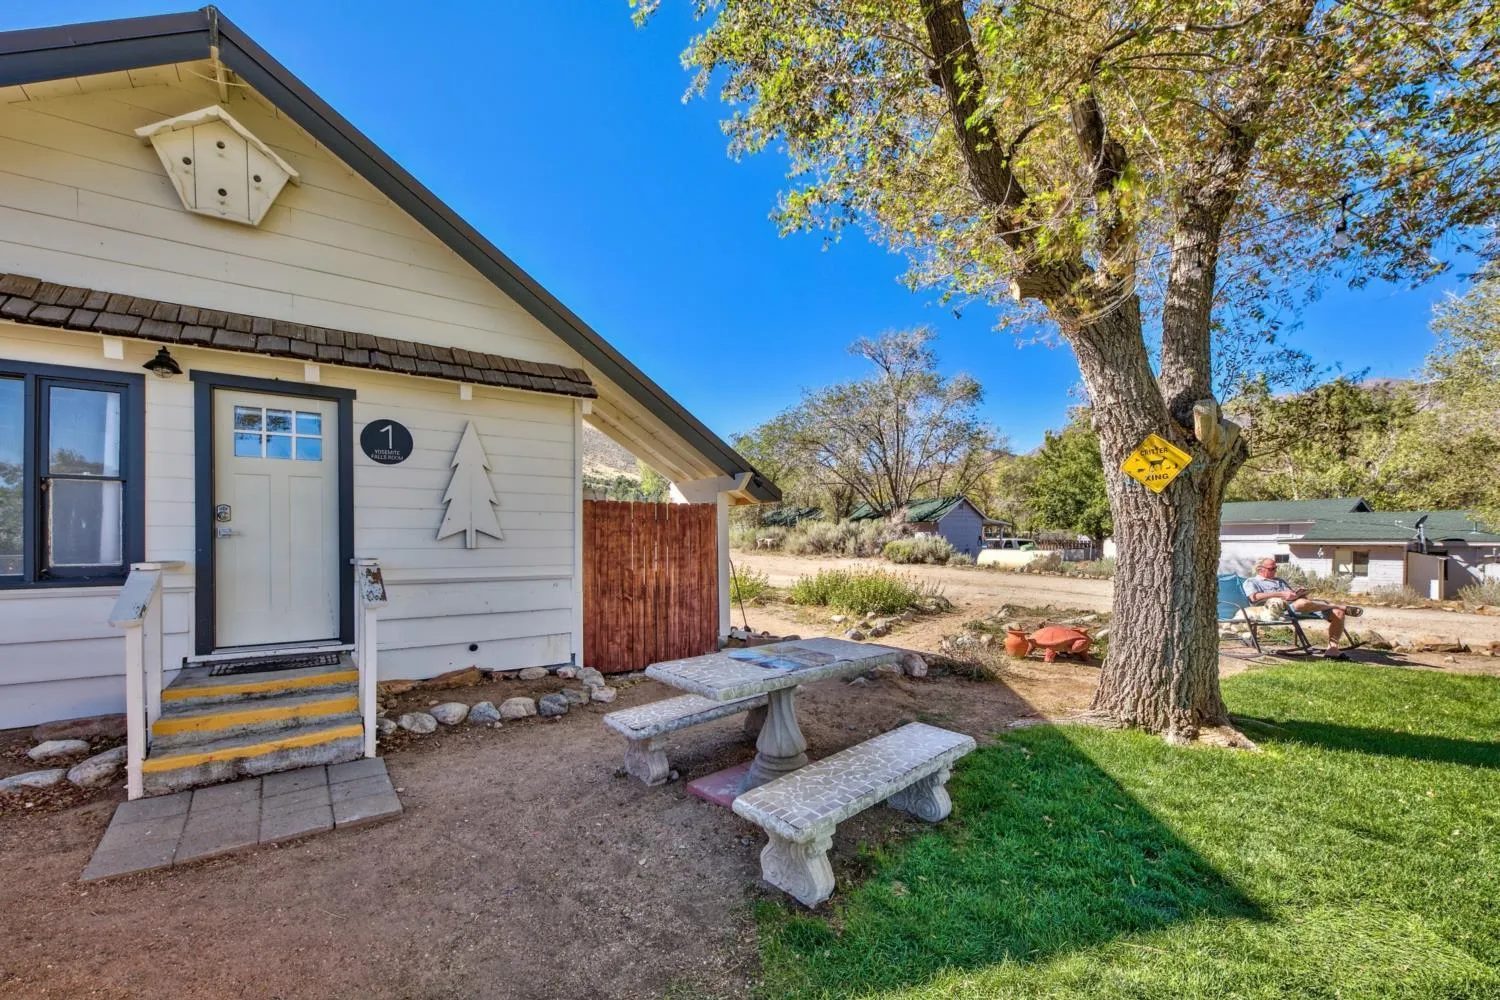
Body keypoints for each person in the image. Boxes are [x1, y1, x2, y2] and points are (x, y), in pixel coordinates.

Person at [1243, 557, 1362, 657]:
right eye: (1271, 569)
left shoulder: (1279, 581)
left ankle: (1332, 649)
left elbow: (1291, 595)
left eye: (1276, 568)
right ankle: (1336, 605)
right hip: (1276, 611)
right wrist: (1280, 594)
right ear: (1260, 569)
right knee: (1303, 603)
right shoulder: (1251, 581)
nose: (1275, 571)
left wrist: (1299, 593)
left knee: (1338, 613)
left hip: (1297, 606)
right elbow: (1254, 598)